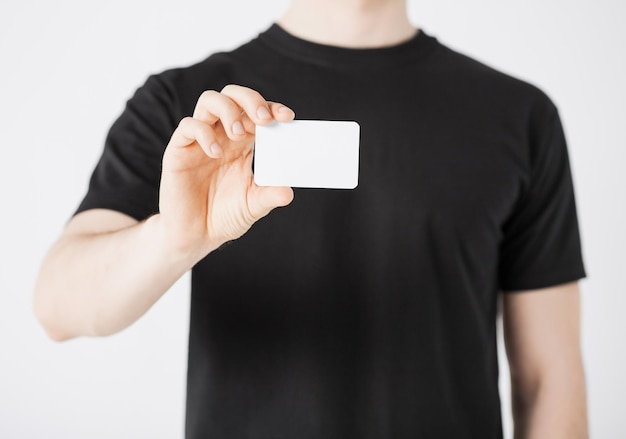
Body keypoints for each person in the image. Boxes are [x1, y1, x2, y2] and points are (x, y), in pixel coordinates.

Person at [33, 0, 589, 437]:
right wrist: (173, 239)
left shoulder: (520, 116)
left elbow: (551, 379)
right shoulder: (189, 106)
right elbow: (59, 306)